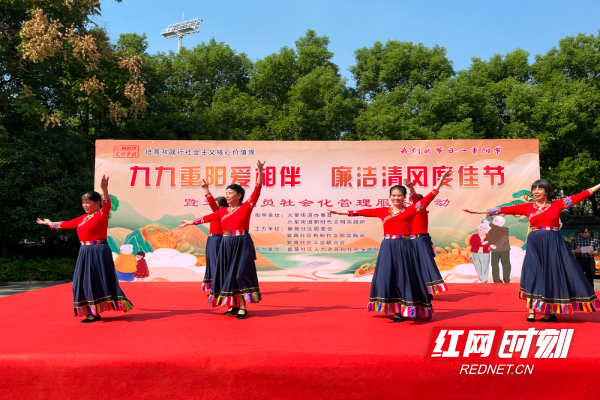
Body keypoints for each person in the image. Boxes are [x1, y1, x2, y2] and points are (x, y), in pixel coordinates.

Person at [464, 179, 600, 322]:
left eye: (540, 188)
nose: (536, 191)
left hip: (553, 242)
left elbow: (582, 195)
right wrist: (479, 211)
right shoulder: (527, 207)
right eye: (534, 188)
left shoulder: (558, 204)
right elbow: (503, 210)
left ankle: (549, 312)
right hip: (535, 243)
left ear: (547, 191)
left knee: (551, 274)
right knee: (533, 273)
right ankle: (531, 311)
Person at [328, 169, 453, 323]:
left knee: (404, 277)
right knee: (388, 276)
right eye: (393, 195)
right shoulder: (383, 211)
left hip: (405, 247)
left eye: (399, 195)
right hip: (388, 247)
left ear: (404, 197)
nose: (396, 198)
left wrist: (441, 179)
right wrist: (338, 212)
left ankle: (404, 309)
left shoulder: (411, 210)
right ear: (390, 197)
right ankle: (394, 309)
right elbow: (360, 212)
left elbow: (431, 196)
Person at [37, 175, 133, 323]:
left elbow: (107, 203)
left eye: (88, 202)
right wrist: (50, 223)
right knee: (82, 281)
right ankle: (92, 311)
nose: (85, 205)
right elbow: (66, 224)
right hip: (85, 252)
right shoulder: (82, 219)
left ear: (97, 203)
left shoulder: (102, 215)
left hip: (99, 251)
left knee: (97, 280)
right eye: (83, 203)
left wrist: (104, 189)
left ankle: (95, 312)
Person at [178, 160, 265, 320]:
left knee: (240, 274)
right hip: (226, 244)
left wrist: (260, 172)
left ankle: (243, 307)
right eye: (226, 193)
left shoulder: (246, 207)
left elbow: (258, 190)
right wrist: (191, 222)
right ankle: (233, 305)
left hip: (242, 242)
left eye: (230, 193)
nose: (227, 195)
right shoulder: (223, 211)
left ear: (239, 196)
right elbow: (207, 217)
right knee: (227, 274)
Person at [404, 179, 448, 294]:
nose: (413, 202)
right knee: (411, 267)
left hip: (421, 240)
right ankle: (414, 291)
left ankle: (428, 291)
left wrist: (443, 177)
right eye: (411, 201)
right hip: (409, 241)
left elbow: (431, 192)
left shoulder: (421, 209)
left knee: (425, 265)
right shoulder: (406, 212)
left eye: (415, 201)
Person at [199, 179, 228, 291]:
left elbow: (211, 202)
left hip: (216, 240)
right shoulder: (223, 213)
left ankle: (219, 288)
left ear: (220, 206)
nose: (213, 205)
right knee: (214, 263)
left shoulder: (221, 212)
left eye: (216, 203)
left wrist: (206, 189)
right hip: (214, 239)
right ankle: (217, 287)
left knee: (216, 264)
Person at [487, 215, 512, 283]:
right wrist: (490, 245)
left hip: (504, 250)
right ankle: (496, 280)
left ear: (501, 223)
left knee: (506, 264)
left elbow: (498, 229)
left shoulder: (505, 229)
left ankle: (506, 279)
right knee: (494, 264)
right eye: (494, 220)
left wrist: (490, 224)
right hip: (495, 250)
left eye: (496, 220)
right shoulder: (491, 231)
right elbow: (488, 240)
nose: (494, 221)